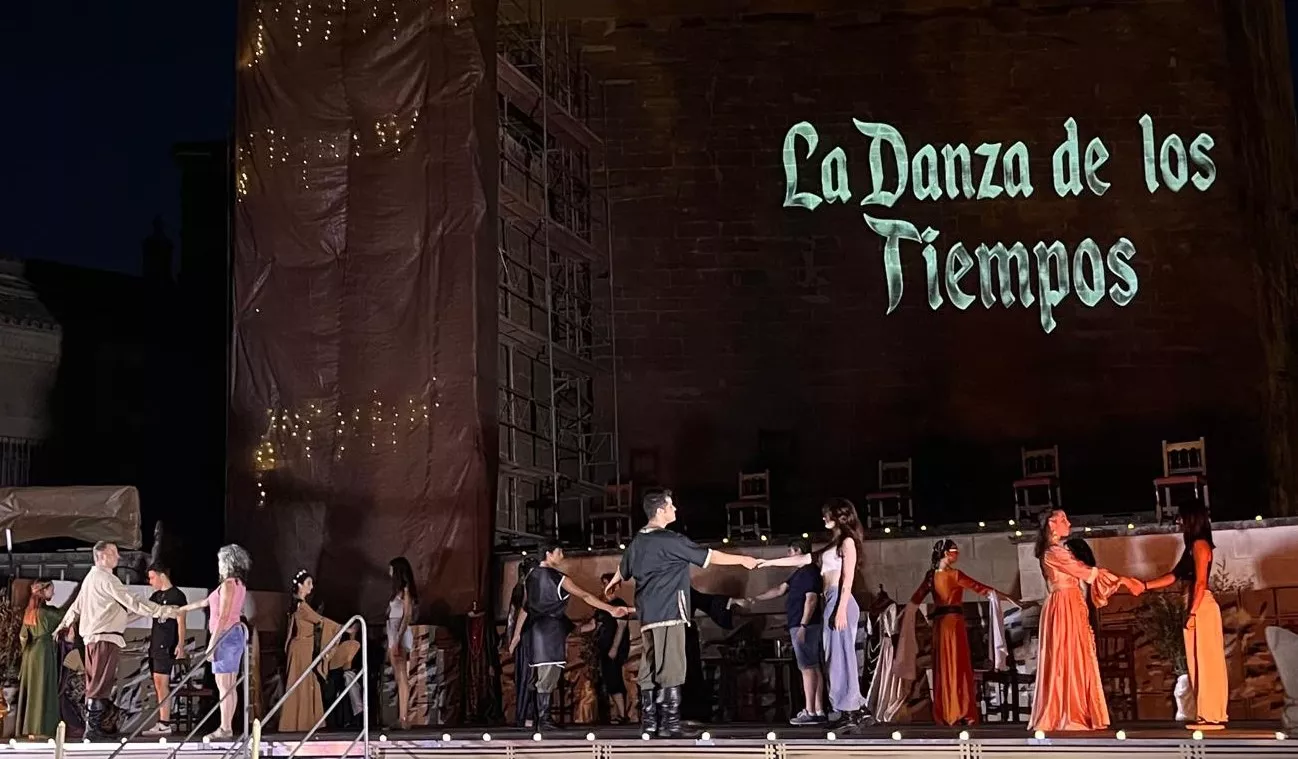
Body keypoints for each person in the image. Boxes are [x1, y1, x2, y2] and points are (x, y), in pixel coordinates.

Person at [604, 489, 759, 738]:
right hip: (669, 611)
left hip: (647, 615)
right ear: (660, 510)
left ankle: (650, 723)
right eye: (671, 506)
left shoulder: (638, 541)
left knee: (650, 665)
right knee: (672, 667)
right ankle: (670, 725)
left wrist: (613, 581)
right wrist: (742, 560)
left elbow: (624, 568)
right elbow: (708, 556)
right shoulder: (670, 539)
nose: (675, 509)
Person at [758, 498, 872, 730]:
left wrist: (840, 609)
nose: (824, 518)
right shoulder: (833, 545)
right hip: (831, 600)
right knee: (835, 656)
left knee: (839, 656)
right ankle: (855, 707)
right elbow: (803, 559)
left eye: (827, 514)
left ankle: (848, 710)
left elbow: (848, 577)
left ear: (839, 516)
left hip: (840, 600)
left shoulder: (848, 541)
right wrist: (767, 562)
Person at [1028, 509, 1142, 732]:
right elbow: (1085, 571)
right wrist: (1125, 580)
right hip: (1063, 605)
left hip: (1071, 603)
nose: (1068, 523)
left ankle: (1079, 708)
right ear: (1052, 525)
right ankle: (1068, 711)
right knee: (1067, 654)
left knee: (1078, 654)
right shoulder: (1053, 552)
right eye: (1063, 520)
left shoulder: (1057, 551)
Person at [55, 541, 176, 741]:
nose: (118, 557)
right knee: (99, 684)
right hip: (104, 638)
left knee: (97, 683)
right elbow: (131, 600)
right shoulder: (106, 578)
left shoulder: (91, 578)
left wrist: (64, 624)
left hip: (96, 638)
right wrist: (162, 611)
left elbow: (76, 606)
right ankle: (91, 730)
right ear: (102, 556)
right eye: (114, 553)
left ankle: (94, 728)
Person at [515, 543, 629, 732]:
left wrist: (517, 636)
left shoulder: (530, 577)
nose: (562, 555)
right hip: (550, 630)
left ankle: (534, 717)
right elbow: (584, 595)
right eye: (559, 551)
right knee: (547, 675)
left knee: (537, 674)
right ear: (549, 554)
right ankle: (542, 718)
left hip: (534, 631)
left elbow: (525, 608)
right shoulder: (558, 578)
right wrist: (610, 609)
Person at [907, 539, 1022, 726]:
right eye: (954, 551)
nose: (956, 554)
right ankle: (958, 710)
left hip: (942, 624)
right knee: (955, 665)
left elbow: (914, 602)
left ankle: (949, 710)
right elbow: (983, 589)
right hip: (952, 624)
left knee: (947, 666)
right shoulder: (953, 575)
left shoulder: (932, 576)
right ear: (946, 553)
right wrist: (1009, 598)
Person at [1138, 501, 1227, 730]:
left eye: (1181, 517)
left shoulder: (1200, 545)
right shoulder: (1191, 546)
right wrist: (1144, 586)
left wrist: (1193, 613)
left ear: (1192, 519)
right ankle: (1205, 713)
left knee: (1207, 662)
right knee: (1197, 663)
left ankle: (1212, 714)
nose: (1178, 522)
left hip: (1202, 606)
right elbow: (1174, 576)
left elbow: (1200, 583)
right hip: (1194, 604)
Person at [742, 537, 826, 725]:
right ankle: (818, 709)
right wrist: (755, 599)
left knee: (807, 668)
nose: (787, 556)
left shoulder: (809, 572)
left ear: (797, 552)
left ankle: (811, 710)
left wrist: (803, 625)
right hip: (801, 624)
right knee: (812, 667)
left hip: (805, 625)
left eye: (790, 552)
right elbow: (780, 590)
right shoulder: (797, 574)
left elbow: (811, 599)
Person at [173, 544, 251, 741]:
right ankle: (227, 727)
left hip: (225, 636)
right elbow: (205, 603)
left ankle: (225, 728)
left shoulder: (229, 585)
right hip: (232, 635)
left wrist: (212, 645)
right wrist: (182, 609)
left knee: (224, 685)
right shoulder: (236, 584)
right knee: (229, 685)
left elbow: (224, 615)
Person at [141, 562, 188, 735]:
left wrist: (180, 645)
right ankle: (162, 721)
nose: (150, 582)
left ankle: (164, 723)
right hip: (155, 643)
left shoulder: (177, 595)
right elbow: (142, 610)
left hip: (167, 643)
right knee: (158, 683)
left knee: (162, 683)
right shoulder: (156, 597)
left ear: (162, 576)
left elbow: (181, 621)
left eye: (152, 577)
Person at [279, 570, 325, 732]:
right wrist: (343, 629)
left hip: (303, 647)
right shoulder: (302, 606)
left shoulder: (298, 605)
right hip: (301, 648)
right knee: (299, 682)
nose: (311, 587)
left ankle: (303, 721)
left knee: (304, 682)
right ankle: (297, 722)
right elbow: (319, 620)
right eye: (308, 583)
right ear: (300, 585)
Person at [17, 580, 63, 738]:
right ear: (44, 591)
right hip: (43, 652)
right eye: (51, 590)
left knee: (33, 691)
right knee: (44, 688)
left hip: (31, 653)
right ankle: (42, 728)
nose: (53, 593)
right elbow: (64, 617)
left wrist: (26, 654)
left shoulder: (29, 611)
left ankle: (30, 728)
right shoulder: (47, 613)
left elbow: (23, 636)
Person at [504, 557, 539, 727]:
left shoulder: (532, 589)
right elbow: (514, 616)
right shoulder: (522, 590)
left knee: (531, 676)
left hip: (533, 637)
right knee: (526, 677)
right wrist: (512, 639)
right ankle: (526, 715)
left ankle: (531, 714)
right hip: (527, 638)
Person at [593, 572, 631, 724]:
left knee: (614, 677)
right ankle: (618, 713)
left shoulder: (619, 603)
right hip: (603, 647)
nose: (603, 586)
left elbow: (622, 627)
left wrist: (614, 647)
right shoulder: (603, 606)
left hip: (614, 648)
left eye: (605, 583)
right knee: (609, 679)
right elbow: (594, 624)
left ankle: (623, 715)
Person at [387, 557, 418, 729]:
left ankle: (404, 718)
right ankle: (401, 716)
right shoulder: (396, 591)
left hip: (400, 631)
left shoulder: (406, 590)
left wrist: (398, 638)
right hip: (393, 631)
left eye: (391, 569)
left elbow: (407, 615)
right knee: (398, 677)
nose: (389, 572)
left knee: (402, 676)